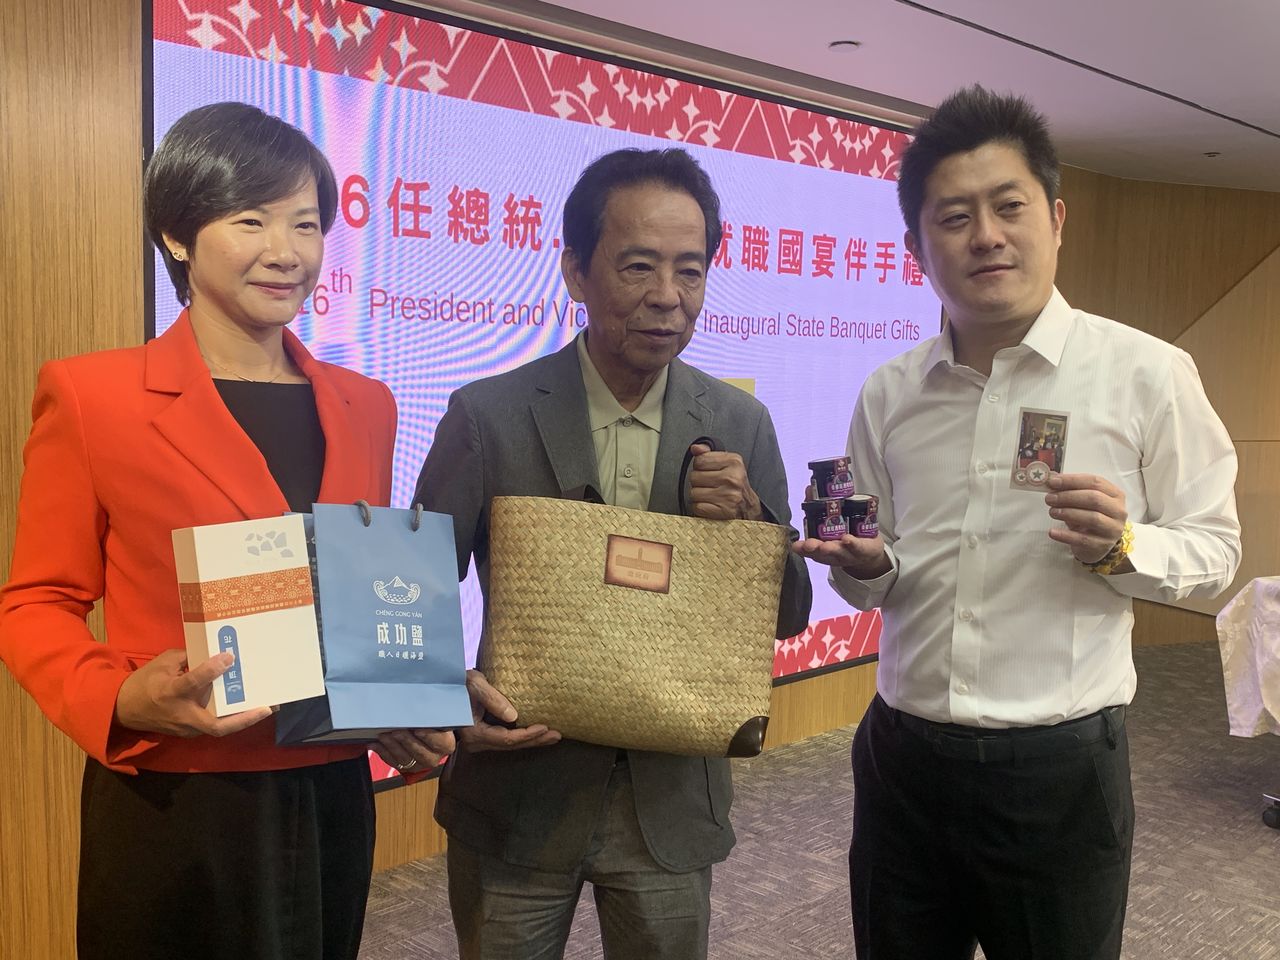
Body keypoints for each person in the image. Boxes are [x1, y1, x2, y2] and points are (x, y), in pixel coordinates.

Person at [795, 86, 1241, 960]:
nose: (986, 236)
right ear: (916, 247)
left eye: (1009, 206)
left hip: (1058, 775)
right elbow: (872, 573)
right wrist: (866, 564)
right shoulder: (890, 392)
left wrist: (1122, 547)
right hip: (902, 761)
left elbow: (1216, 548)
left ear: (1056, 218)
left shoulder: (1147, 374)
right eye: (954, 217)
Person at [0, 102, 451, 960]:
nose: (286, 251)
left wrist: (400, 702)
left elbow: (355, 587)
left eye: (306, 224)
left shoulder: (366, 405)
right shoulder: (94, 398)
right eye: (251, 220)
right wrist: (118, 697)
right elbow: (34, 603)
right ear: (177, 234)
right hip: (178, 791)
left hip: (330, 786)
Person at [415, 147, 812, 960]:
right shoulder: (488, 415)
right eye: (638, 266)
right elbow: (411, 592)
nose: (668, 296)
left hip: (669, 801)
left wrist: (747, 522)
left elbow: (788, 616)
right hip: (519, 794)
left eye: (690, 271)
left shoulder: (739, 427)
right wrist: (448, 696)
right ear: (575, 271)